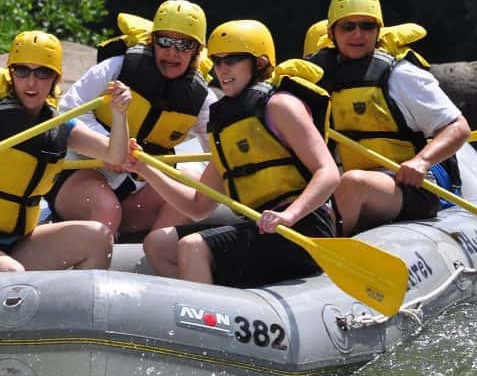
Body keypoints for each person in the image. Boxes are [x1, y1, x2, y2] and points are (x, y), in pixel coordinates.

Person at [129, 20, 340, 287]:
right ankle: (223, 304)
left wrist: (290, 215)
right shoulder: (224, 126)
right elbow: (198, 206)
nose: (222, 70)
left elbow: (329, 172)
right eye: (217, 61)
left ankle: (203, 321)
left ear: (260, 63)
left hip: (304, 226)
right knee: (159, 243)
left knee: (194, 247)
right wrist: (145, 169)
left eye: (233, 60)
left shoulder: (281, 106)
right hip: (262, 228)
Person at [0, 31, 133, 284]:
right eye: (22, 72)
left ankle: (75, 316)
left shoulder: (61, 126)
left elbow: (115, 155)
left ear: (55, 79)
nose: (31, 82)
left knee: (98, 237)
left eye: (42, 73)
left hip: (16, 243)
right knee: (11, 275)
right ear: (11, 74)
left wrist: (120, 115)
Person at [305, 0, 470, 235]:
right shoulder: (316, 81)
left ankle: (327, 256)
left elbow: (459, 127)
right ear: (332, 33)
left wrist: (422, 162)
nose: (358, 34)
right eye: (348, 27)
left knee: (352, 183)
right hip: (340, 185)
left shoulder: (400, 75)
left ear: (378, 31)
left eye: (367, 26)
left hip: (407, 185)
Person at [48, 0, 218, 237]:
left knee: (191, 185)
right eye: (165, 41)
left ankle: (153, 257)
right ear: (152, 42)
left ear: (197, 52)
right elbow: (67, 112)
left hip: (138, 184)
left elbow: (219, 148)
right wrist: (111, 147)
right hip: (83, 172)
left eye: (184, 45)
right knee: (106, 208)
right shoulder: (116, 69)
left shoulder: (201, 99)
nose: (172, 52)